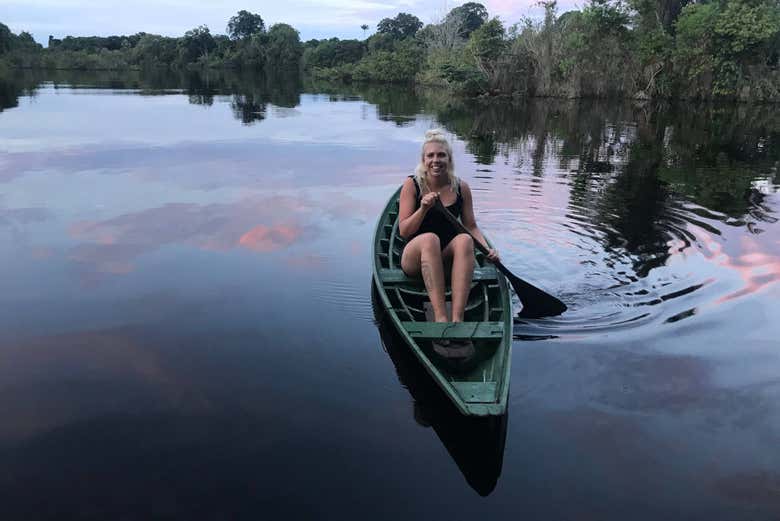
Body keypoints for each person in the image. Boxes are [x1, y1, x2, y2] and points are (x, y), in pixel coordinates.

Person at [398, 129, 499, 358]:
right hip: (415, 260)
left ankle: (457, 319)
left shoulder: (461, 188)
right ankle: (440, 317)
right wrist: (423, 208)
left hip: (443, 262)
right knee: (430, 239)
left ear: (449, 159)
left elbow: (471, 227)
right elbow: (404, 231)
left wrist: (487, 250)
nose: (436, 161)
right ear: (423, 160)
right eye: (430, 156)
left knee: (464, 240)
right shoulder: (412, 185)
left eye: (441, 155)